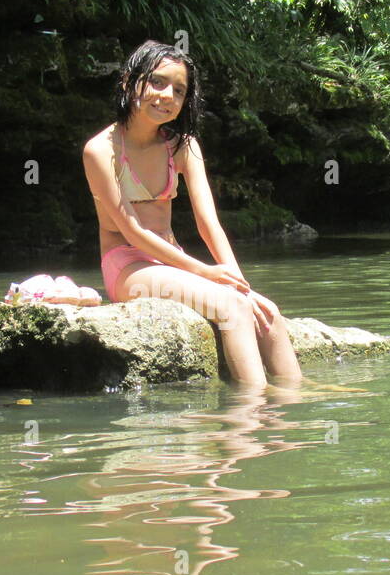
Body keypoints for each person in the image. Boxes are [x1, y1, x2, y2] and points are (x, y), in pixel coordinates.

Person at [82, 40, 302, 389]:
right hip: (127, 265)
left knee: (266, 312)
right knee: (232, 308)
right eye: (157, 82)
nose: (167, 95)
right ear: (128, 82)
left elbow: (207, 221)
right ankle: (252, 416)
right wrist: (207, 273)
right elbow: (133, 231)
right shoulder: (100, 150)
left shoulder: (182, 145)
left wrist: (239, 281)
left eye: (179, 90)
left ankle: (293, 402)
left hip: (172, 261)